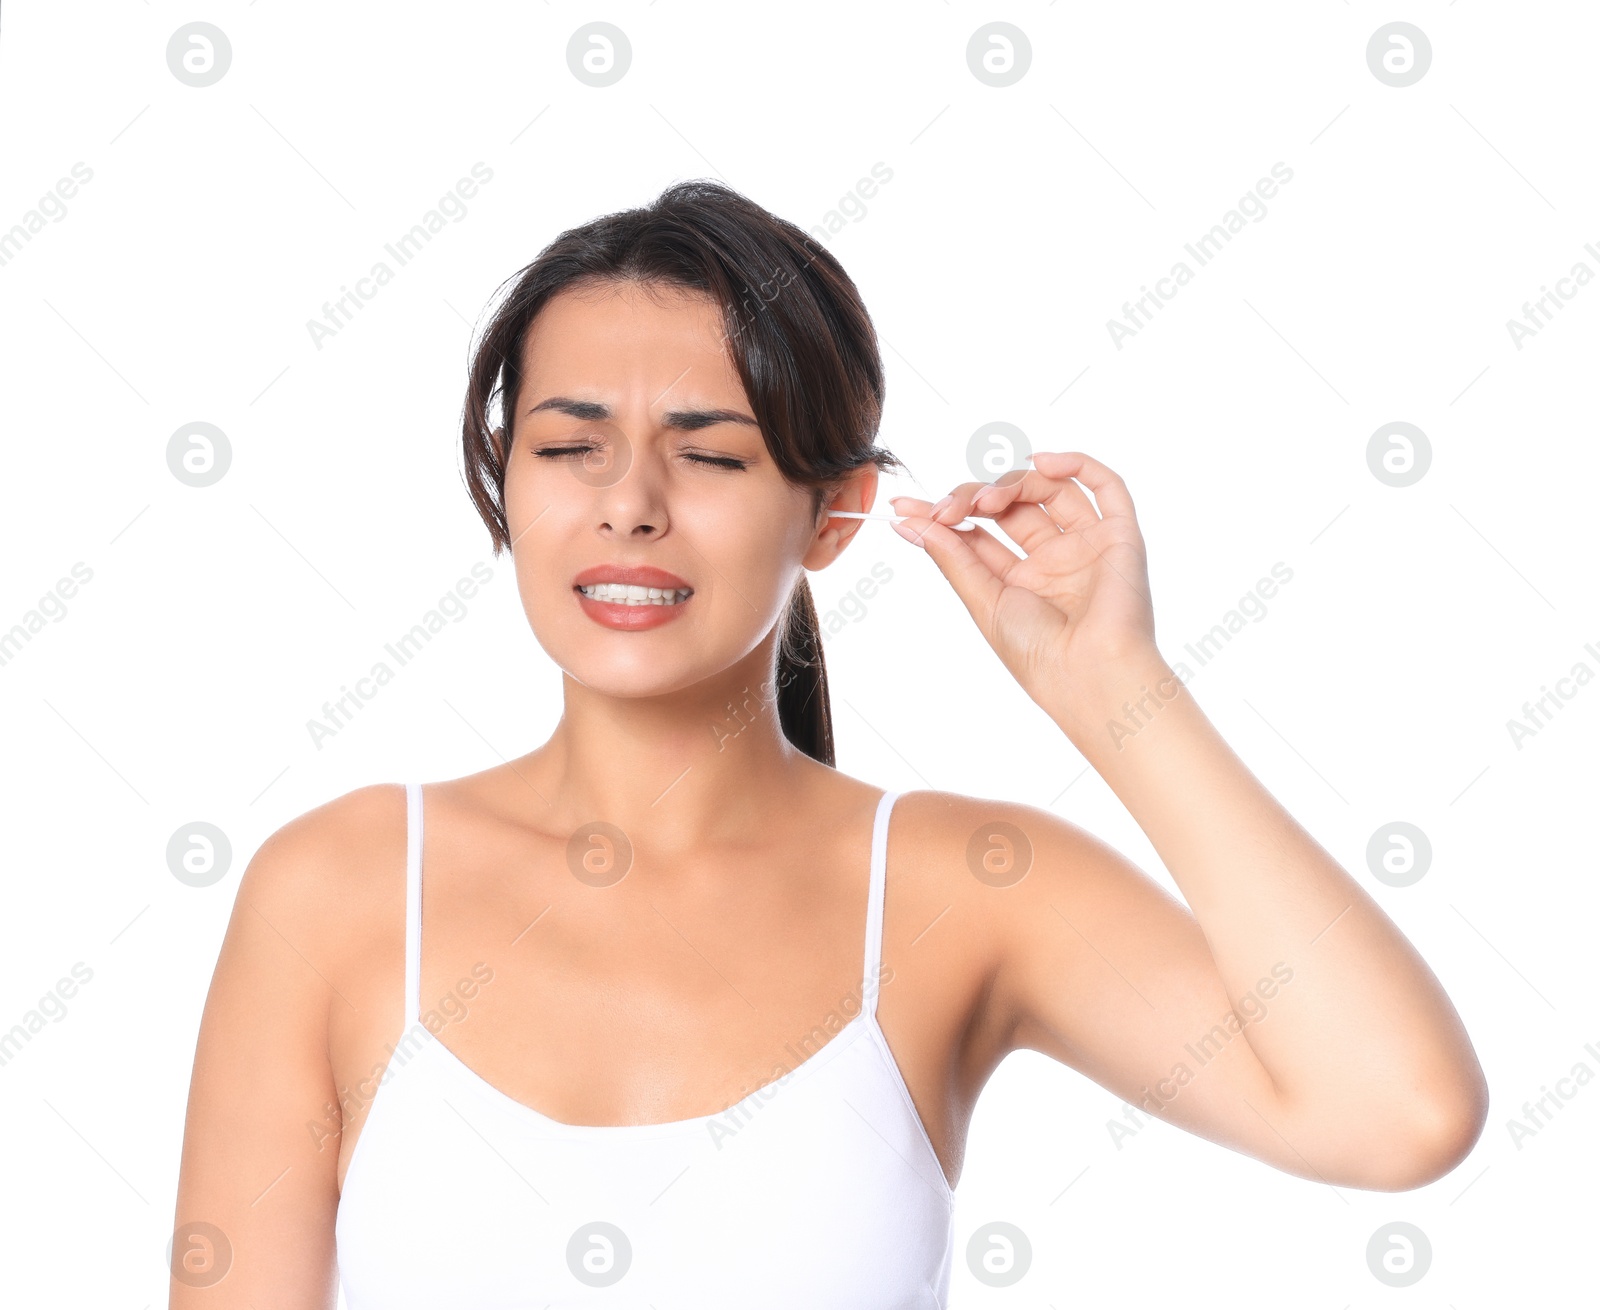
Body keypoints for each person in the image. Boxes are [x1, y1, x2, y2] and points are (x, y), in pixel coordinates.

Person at [170, 180, 1488, 1306]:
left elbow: (1397, 1113)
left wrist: (1114, 692)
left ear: (835, 515)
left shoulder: (967, 886)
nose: (628, 505)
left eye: (714, 458)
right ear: (506, 478)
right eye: (572, 445)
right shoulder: (334, 889)